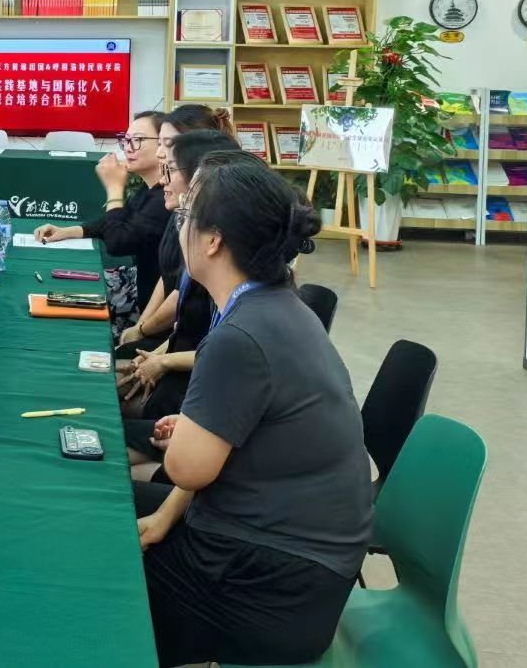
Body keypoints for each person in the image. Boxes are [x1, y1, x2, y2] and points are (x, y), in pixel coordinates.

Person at [136, 152, 373, 668]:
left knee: (101, 575)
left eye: (187, 215)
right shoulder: (280, 304)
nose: (179, 225)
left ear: (214, 241)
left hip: (271, 585)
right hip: (303, 561)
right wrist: (203, 429)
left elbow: (186, 468)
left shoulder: (239, 336)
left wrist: (191, 433)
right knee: (117, 508)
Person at [118, 129, 239, 444]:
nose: (163, 180)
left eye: (169, 168)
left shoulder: (242, 299)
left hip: (189, 397)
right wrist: (155, 352)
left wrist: (162, 359)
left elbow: (199, 460)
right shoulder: (221, 271)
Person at [33, 111, 169, 332]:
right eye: (126, 140)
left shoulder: (165, 197)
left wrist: (114, 187)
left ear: (165, 144)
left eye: (138, 140)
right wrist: (68, 231)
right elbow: (117, 220)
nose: (128, 148)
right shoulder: (150, 189)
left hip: (148, 306)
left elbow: (118, 242)